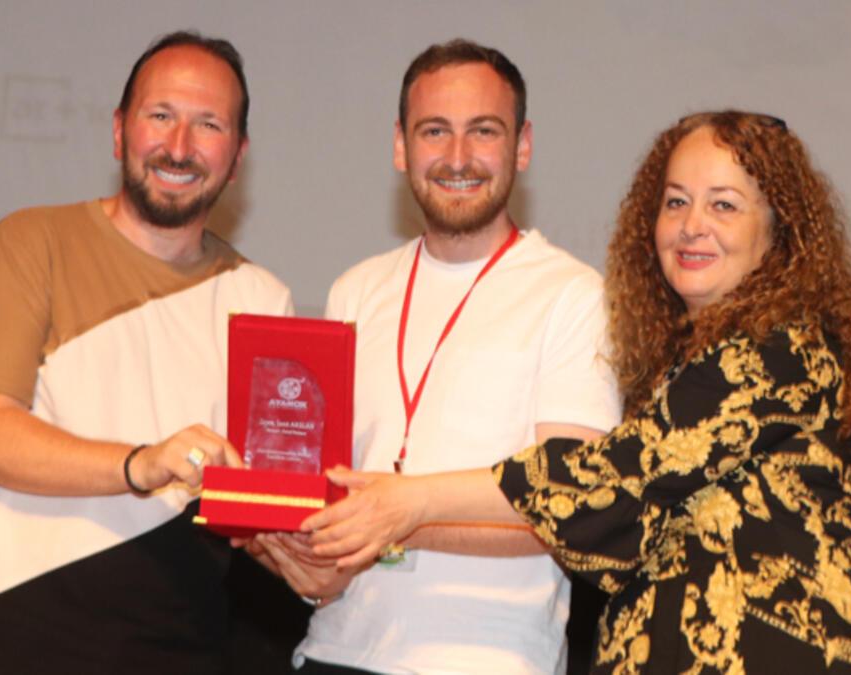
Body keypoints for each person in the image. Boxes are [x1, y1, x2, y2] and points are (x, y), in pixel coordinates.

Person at [305, 111, 851, 674]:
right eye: (676, 202)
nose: (692, 224)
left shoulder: (782, 351)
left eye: (724, 204)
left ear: (779, 228)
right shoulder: (679, 367)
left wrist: (413, 501)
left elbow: (612, 479)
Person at [0, 31, 292, 674]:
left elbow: (256, 510)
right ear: (119, 131)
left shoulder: (262, 300)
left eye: (208, 125)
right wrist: (141, 463)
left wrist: (322, 557)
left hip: (174, 650)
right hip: (2, 639)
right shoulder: (29, 243)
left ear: (238, 156)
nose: (179, 146)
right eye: (160, 116)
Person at [243, 39, 621, 674]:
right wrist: (303, 561)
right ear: (401, 146)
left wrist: (401, 515)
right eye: (434, 131)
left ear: (523, 146)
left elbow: (569, 503)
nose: (458, 157)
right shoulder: (355, 290)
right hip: (336, 650)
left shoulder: (574, 296)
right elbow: (328, 496)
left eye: (484, 131)